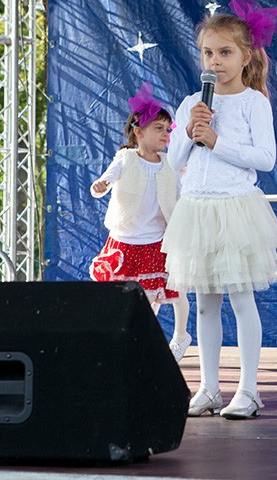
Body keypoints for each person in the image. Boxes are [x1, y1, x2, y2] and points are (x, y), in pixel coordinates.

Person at [161, 0, 277, 419]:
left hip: (234, 210)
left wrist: (217, 141)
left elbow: (265, 159)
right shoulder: (190, 102)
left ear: (245, 56)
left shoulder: (254, 103)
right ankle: (209, 388)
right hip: (196, 211)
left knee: (241, 298)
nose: (215, 62)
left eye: (225, 53)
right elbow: (174, 162)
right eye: (208, 53)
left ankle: (248, 390)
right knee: (205, 303)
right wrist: (190, 130)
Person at [90, 82, 192, 362]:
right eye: (159, 128)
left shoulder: (170, 164)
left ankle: (180, 336)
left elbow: (182, 193)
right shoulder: (125, 159)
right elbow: (106, 180)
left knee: (174, 289)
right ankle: (139, 340)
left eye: (168, 130)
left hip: (158, 240)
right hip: (125, 241)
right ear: (139, 132)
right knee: (141, 298)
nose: (165, 134)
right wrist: (100, 186)